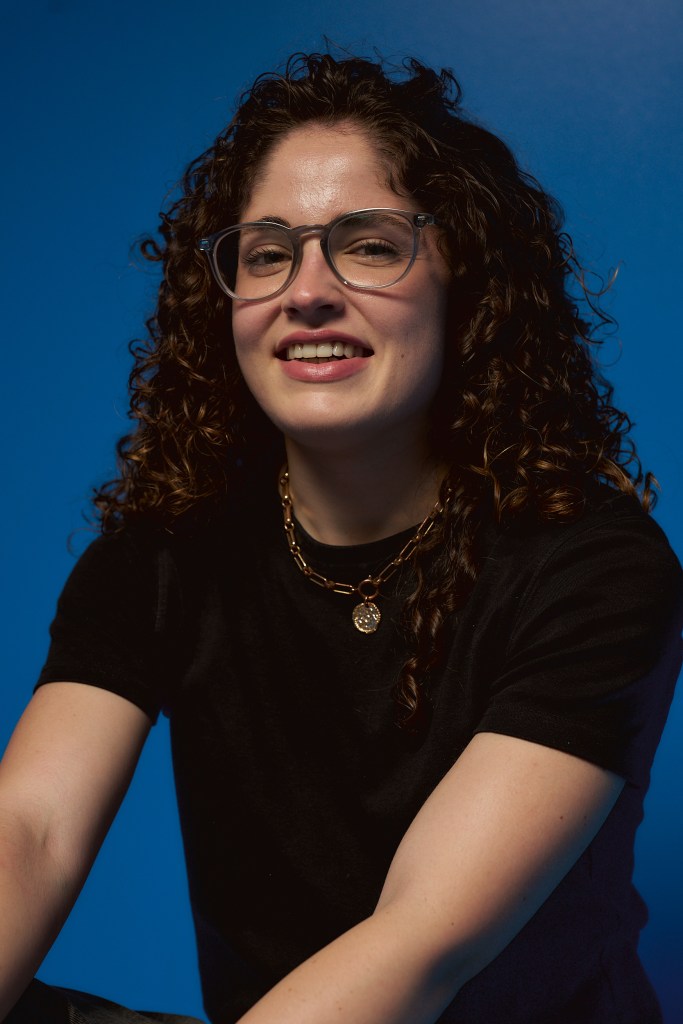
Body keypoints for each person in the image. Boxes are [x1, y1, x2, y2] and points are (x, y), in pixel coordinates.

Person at [2, 50, 681, 1024]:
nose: (306, 291)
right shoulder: (163, 552)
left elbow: (421, 940)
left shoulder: (592, 566)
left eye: (366, 245)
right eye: (267, 253)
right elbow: (29, 828)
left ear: (463, 281)